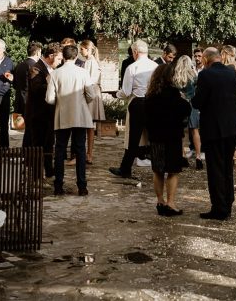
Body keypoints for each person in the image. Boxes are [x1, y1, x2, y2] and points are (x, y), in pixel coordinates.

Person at [191, 47, 236, 220]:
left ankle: (219, 207)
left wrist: (192, 97)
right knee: (227, 168)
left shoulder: (205, 75)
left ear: (205, 59)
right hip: (231, 127)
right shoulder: (232, 73)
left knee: (215, 169)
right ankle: (228, 202)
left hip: (214, 128)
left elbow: (198, 102)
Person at [45, 44, 96, 196]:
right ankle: (82, 185)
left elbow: (49, 99)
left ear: (64, 56)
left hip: (62, 116)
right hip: (80, 115)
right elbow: (91, 95)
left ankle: (58, 185)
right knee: (80, 150)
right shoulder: (83, 72)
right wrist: (82, 102)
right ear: (75, 56)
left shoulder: (55, 74)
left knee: (60, 151)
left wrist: (60, 102)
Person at [146, 63, 192, 216]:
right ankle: (171, 202)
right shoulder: (174, 94)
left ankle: (160, 201)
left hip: (156, 137)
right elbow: (186, 109)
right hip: (172, 137)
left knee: (158, 171)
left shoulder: (150, 95)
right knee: (173, 171)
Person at [110, 40, 158, 178]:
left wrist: (116, 94)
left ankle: (125, 169)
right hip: (152, 102)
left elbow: (125, 91)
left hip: (138, 103)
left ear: (135, 52)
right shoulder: (155, 66)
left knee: (134, 137)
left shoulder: (132, 67)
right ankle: (160, 166)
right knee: (154, 136)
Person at [24, 42, 62, 178]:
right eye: (58, 58)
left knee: (49, 143)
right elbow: (37, 89)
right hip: (37, 115)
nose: (60, 61)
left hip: (49, 114)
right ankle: (36, 175)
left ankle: (49, 169)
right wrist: (53, 84)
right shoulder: (35, 68)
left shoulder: (52, 69)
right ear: (51, 56)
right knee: (38, 146)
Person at [173, 55, 202, 169]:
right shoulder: (194, 76)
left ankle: (182, 156)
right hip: (193, 105)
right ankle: (198, 157)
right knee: (195, 131)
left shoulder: (176, 77)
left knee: (181, 133)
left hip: (180, 105)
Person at [79, 40, 106, 165]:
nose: (80, 51)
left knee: (89, 126)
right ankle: (87, 153)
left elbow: (90, 80)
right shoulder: (89, 61)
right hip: (91, 91)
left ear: (88, 49)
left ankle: (89, 154)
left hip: (91, 93)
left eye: (82, 49)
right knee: (88, 126)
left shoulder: (92, 62)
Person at [13, 41, 42, 120]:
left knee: (23, 129)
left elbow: (15, 84)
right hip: (31, 102)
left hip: (19, 101)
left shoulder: (19, 65)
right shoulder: (36, 67)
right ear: (38, 52)